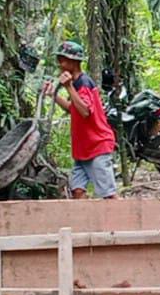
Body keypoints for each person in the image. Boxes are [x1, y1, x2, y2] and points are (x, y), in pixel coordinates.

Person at [42, 40, 117, 199]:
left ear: (74, 62)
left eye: (62, 60)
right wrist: (53, 95)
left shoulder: (83, 83)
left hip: (97, 146)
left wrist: (68, 87)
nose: (60, 64)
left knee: (109, 195)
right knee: (77, 191)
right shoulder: (76, 84)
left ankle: (125, 215)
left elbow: (85, 112)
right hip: (83, 151)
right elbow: (73, 108)